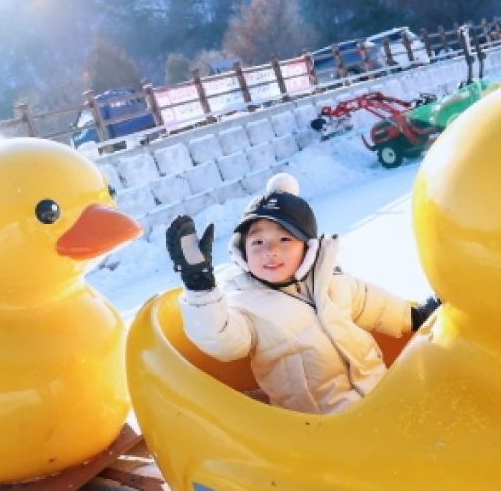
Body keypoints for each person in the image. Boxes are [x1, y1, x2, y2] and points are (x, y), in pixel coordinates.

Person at [165, 173, 438, 414]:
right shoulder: (242, 302)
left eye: (284, 239)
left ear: (308, 247)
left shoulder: (332, 281)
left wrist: (414, 317)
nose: (270, 250)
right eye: (257, 242)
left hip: (381, 394)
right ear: (242, 250)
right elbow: (222, 340)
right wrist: (200, 287)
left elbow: (374, 304)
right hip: (320, 424)